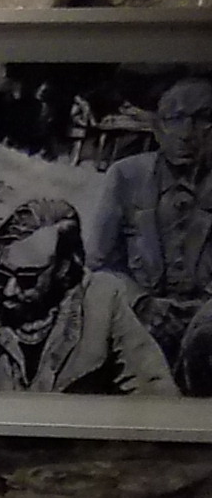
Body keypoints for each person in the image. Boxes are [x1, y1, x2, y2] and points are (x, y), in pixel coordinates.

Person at [0, 198, 175, 395]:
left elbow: (155, 391)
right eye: (0, 273)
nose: (9, 290)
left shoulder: (104, 300)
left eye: (27, 279)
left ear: (64, 268)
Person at [88, 75, 212, 393]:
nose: (187, 133)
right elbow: (99, 262)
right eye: (174, 119)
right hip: (139, 318)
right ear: (157, 128)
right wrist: (141, 302)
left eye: (203, 119)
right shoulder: (126, 176)